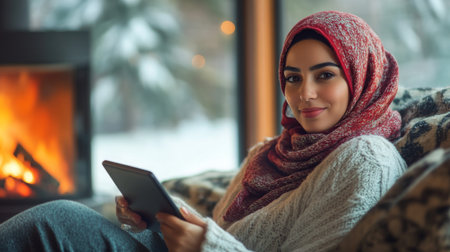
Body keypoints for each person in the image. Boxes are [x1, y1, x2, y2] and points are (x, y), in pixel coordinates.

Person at [0, 11, 407, 251]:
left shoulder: (365, 160)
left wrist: (206, 245)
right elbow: (221, 230)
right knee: (57, 221)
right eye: (293, 77)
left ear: (362, 76)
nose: (306, 94)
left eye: (325, 75)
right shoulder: (272, 153)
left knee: (53, 222)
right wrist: (160, 219)